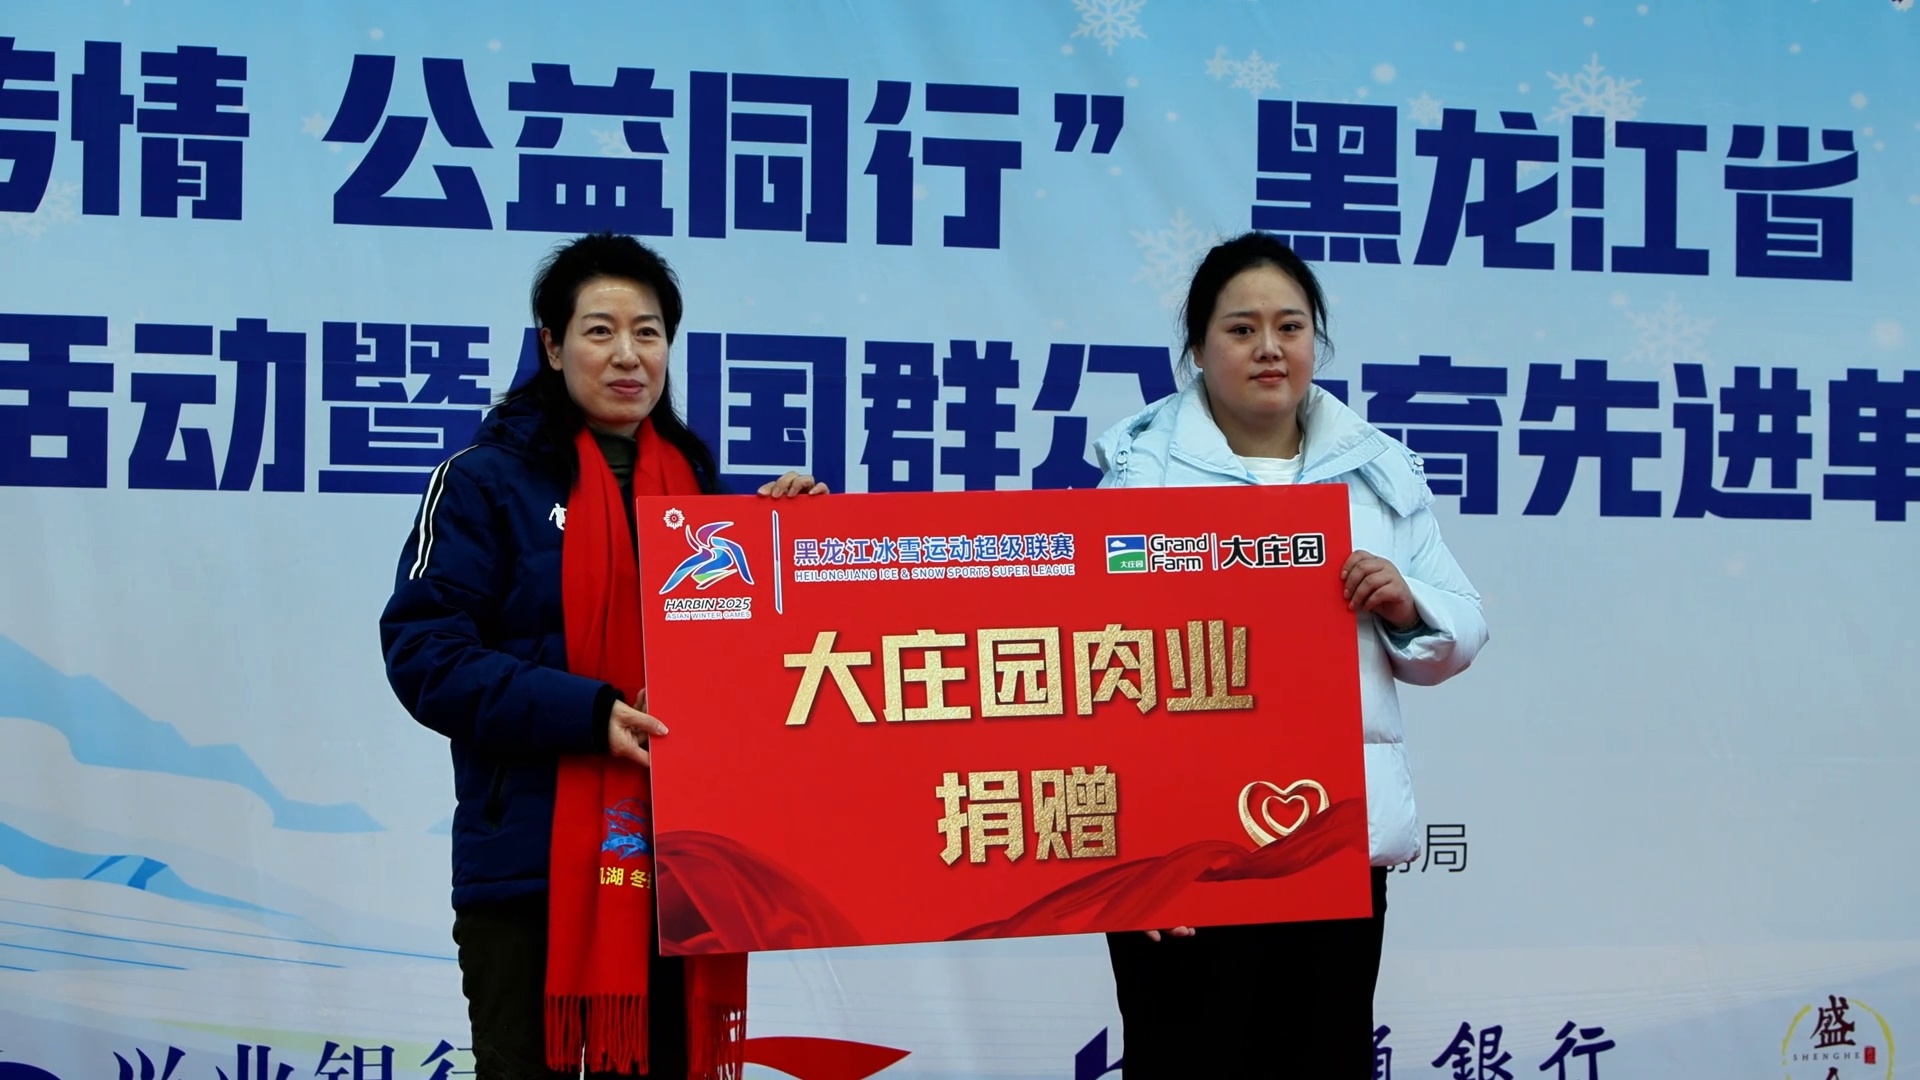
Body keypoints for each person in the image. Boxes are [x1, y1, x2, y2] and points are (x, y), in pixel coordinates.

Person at [380, 233, 826, 1079]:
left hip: (681, 869)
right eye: (600, 331)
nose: (628, 355)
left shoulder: (699, 493)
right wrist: (589, 714)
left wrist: (795, 545)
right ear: (552, 347)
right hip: (531, 873)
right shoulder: (483, 481)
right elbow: (424, 653)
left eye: (648, 332)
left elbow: (762, 671)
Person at [1091, 231, 1488, 1077]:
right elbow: (1092, 663)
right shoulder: (1138, 478)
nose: (1269, 348)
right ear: (1198, 348)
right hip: (1181, 856)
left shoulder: (1377, 472)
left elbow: (1459, 630)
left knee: (1320, 1059)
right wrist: (1136, 855)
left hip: (1328, 845)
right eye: (1242, 329)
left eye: (1290, 326)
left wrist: (1406, 603)